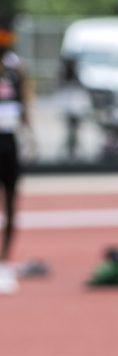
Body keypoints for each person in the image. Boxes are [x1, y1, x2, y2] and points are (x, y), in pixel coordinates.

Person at [0, 25, 30, 295]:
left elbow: (23, 105)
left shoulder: (15, 70)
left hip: (9, 141)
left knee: (10, 201)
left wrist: (30, 135)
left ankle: (4, 258)